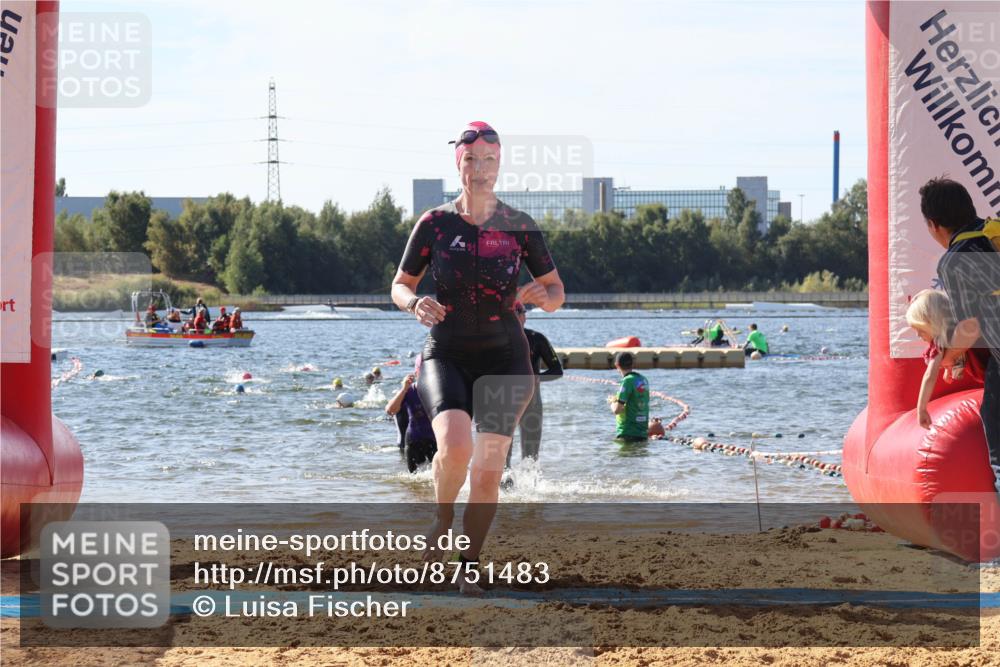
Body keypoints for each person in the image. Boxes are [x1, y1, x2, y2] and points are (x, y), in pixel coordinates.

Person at [391, 121, 564, 593]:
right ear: (458, 164)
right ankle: (442, 517)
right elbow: (400, 284)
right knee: (455, 446)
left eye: (489, 160)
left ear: (500, 165)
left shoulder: (519, 226)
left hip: (506, 357)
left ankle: (469, 565)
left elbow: (556, 292)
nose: (481, 169)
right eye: (472, 160)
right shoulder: (435, 223)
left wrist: (541, 295)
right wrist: (413, 303)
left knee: (488, 472)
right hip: (446, 352)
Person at [920, 177, 1000, 495]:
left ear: (934, 224)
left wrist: (949, 357)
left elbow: (969, 327)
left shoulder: (955, 260)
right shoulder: (994, 233)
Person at [905, 289, 983, 429]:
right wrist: (950, 370)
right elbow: (961, 357)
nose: (918, 335)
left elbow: (930, 376)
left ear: (933, 324)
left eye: (920, 330)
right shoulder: (953, 330)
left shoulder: (939, 345)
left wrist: (921, 408)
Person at [507, 301, 563, 463]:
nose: (524, 316)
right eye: (521, 313)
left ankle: (530, 485)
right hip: (503, 400)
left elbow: (557, 370)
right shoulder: (497, 340)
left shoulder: (536, 339)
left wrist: (539, 377)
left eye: (523, 313)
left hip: (531, 399)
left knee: (531, 454)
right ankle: (504, 485)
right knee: (503, 452)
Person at [385, 356, 438, 473]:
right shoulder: (409, 391)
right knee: (413, 481)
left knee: (438, 475)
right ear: (416, 372)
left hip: (434, 440)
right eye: (422, 371)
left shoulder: (438, 391)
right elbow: (390, 410)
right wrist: (403, 389)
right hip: (414, 441)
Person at [608, 351, 649, 443]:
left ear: (617, 365)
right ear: (632, 364)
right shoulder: (643, 379)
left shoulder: (627, 381)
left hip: (627, 432)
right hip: (642, 432)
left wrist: (612, 402)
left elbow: (617, 410)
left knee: (624, 456)